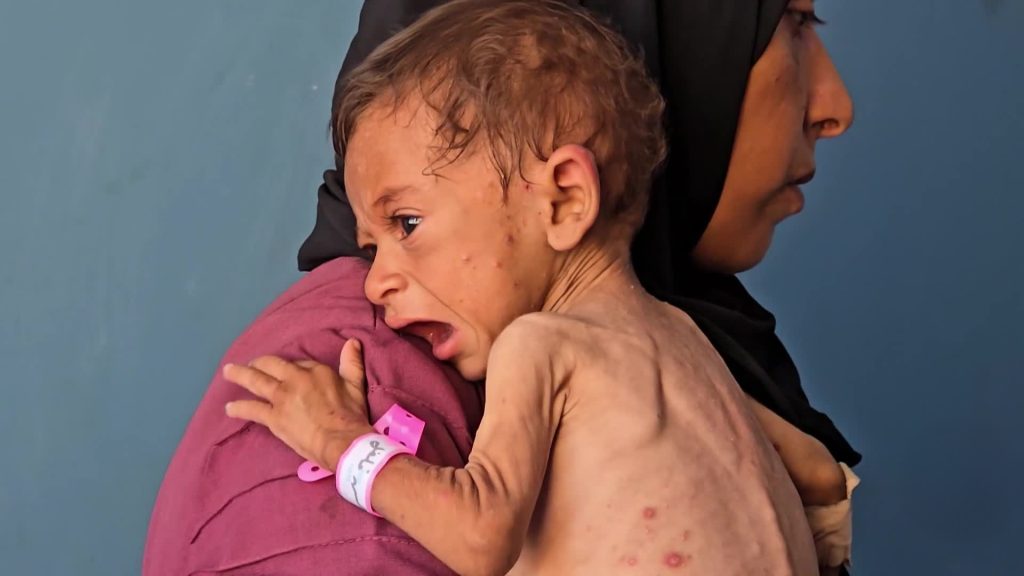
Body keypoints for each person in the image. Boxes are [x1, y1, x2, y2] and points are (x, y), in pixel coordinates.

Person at [143, 0, 860, 574]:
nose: (380, 281)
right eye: (371, 246)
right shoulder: (691, 345)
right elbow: (821, 478)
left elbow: (481, 535)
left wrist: (340, 441)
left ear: (563, 199)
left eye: (407, 223)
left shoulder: (539, 348)